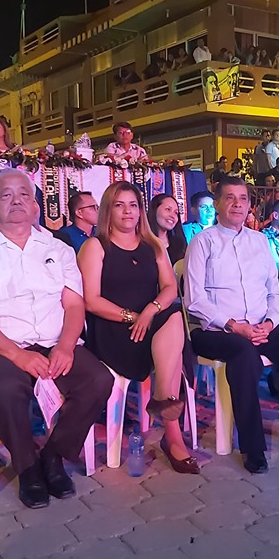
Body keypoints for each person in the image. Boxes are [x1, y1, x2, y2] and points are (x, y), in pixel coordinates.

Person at [0, 170, 111, 509]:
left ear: (35, 203)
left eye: (24, 194)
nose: (17, 201)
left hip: (54, 341)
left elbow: (74, 304)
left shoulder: (59, 250)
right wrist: (17, 355)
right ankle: (27, 467)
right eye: (6, 195)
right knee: (7, 389)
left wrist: (65, 346)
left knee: (98, 380)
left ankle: (53, 456)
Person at [184, 177, 279, 472]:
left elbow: (274, 292)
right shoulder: (203, 242)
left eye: (243, 198)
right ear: (217, 204)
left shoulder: (259, 241)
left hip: (259, 326)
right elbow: (194, 299)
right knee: (244, 355)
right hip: (215, 330)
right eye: (229, 198)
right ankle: (253, 447)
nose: (237, 204)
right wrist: (234, 326)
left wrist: (269, 322)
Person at [78, 182, 196, 472]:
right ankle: (171, 429)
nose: (127, 211)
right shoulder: (95, 246)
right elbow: (91, 301)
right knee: (171, 340)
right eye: (119, 205)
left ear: (141, 210)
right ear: (108, 210)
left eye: (133, 205)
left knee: (172, 316)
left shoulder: (153, 245)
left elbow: (170, 288)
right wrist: (133, 317)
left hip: (151, 325)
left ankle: (164, 403)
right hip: (114, 331)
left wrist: (149, 311)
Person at [148, 193, 188, 265]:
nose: (173, 216)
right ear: (155, 210)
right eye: (168, 209)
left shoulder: (180, 244)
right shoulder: (142, 243)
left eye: (176, 212)